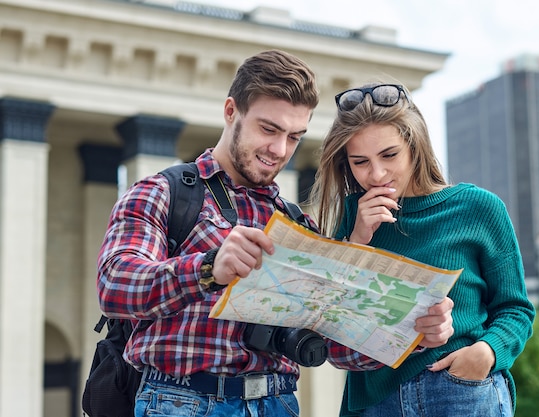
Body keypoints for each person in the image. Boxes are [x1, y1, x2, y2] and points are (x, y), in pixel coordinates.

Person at [97, 51, 454, 417]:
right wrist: (208, 268)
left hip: (279, 403)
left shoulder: (299, 225)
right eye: (269, 129)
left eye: (294, 137)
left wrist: (414, 333)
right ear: (231, 111)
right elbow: (115, 286)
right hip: (183, 402)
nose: (279, 150)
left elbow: (335, 344)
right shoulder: (164, 193)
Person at [310, 82, 536, 417]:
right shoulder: (351, 216)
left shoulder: (478, 207)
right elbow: (328, 322)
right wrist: (357, 241)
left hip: (459, 390)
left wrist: (486, 353)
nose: (377, 174)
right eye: (360, 162)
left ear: (414, 145)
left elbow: (516, 309)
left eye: (389, 155)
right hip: (374, 402)